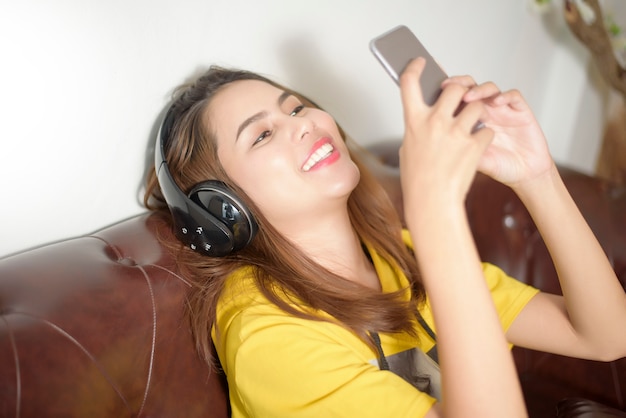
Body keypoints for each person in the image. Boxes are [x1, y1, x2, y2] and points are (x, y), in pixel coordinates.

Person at [143, 58, 626, 417]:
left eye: (297, 108)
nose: (305, 124)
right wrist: (438, 214)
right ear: (221, 211)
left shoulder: (396, 253)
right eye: (262, 135)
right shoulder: (269, 339)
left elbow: (607, 334)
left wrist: (536, 177)